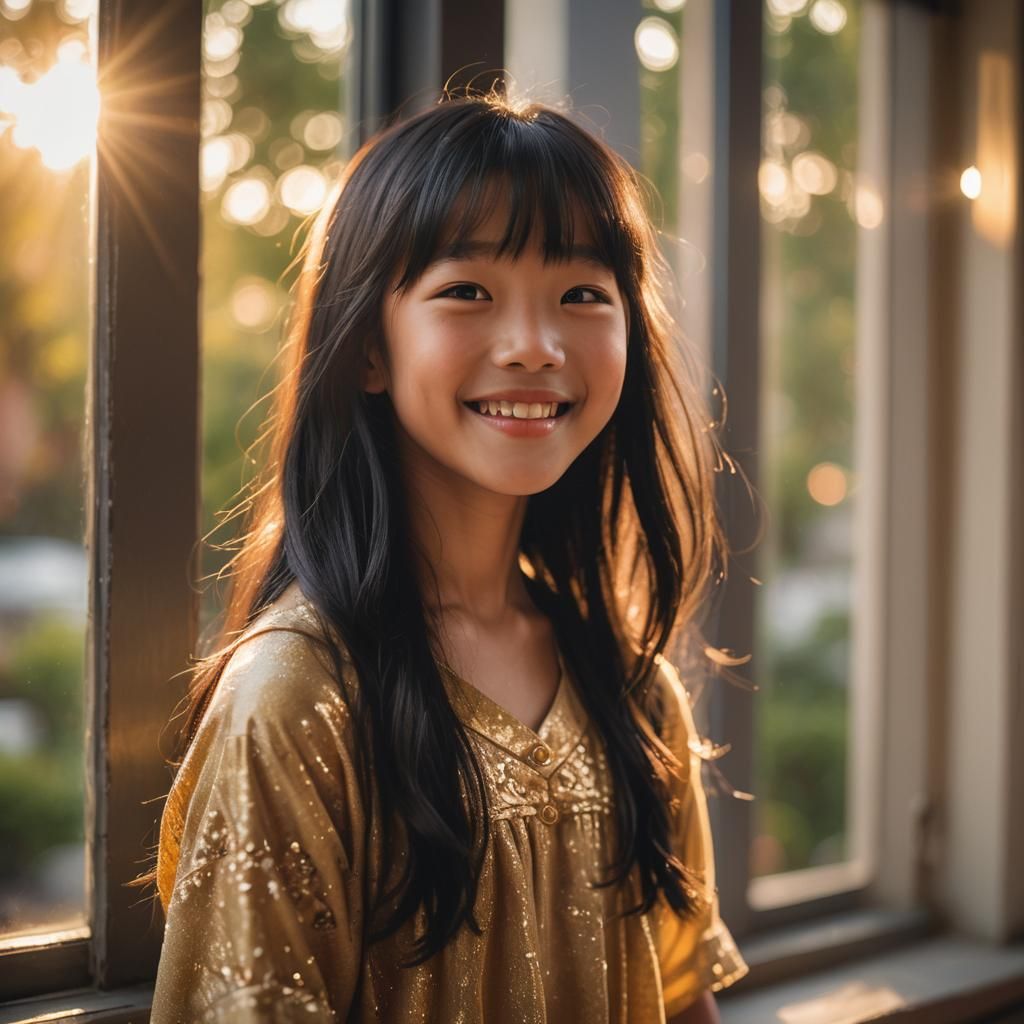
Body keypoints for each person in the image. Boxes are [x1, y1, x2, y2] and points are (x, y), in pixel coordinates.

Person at [145, 91, 750, 1022]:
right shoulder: (297, 698)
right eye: (468, 290)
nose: (534, 346)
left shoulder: (630, 685)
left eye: (582, 294)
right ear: (367, 351)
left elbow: (683, 1004)